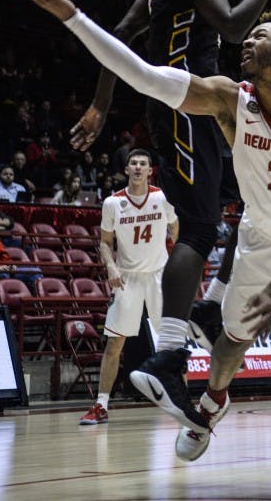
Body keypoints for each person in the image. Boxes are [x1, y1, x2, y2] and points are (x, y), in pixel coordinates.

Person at [14, 0, 271, 462]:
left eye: (261, 35)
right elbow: (143, 75)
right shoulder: (229, 98)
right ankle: (210, 404)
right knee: (230, 339)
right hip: (264, 235)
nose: (248, 40)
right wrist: (66, 11)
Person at [67, 0, 271, 419]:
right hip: (183, 105)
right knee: (197, 228)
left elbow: (122, 35)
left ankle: (210, 306)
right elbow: (237, 26)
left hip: (200, 108)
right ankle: (169, 354)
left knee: (256, 192)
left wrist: (101, 107)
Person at [80, 149, 178, 426]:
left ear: (150, 170)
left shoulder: (161, 197)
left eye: (143, 164)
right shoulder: (112, 203)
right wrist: (110, 266)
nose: (138, 167)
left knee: (172, 341)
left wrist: (175, 258)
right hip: (127, 278)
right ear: (126, 169)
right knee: (114, 343)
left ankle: (182, 399)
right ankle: (101, 405)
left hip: (159, 275)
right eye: (133, 163)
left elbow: (176, 228)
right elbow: (104, 242)